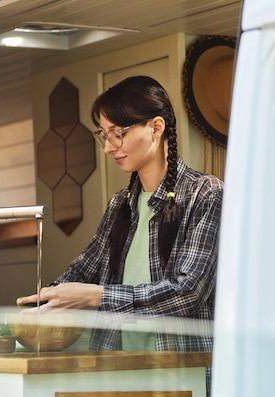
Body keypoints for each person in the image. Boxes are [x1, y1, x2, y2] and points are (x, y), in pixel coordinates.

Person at [17, 75, 223, 355]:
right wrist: (44, 303)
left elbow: (187, 293)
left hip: (181, 375)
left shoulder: (205, 194)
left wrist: (96, 297)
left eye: (118, 134)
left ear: (156, 127)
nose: (108, 147)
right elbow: (82, 272)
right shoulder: (120, 204)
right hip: (117, 369)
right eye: (104, 134)